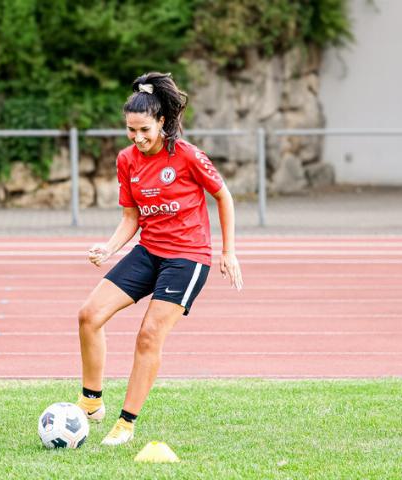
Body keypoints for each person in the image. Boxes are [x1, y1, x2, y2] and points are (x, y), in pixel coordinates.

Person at [76, 72, 243, 446]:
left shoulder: (186, 155)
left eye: (144, 130)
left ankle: (126, 423)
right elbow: (130, 218)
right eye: (130, 130)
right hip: (149, 251)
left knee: (148, 336)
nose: (137, 138)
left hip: (187, 258)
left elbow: (224, 196)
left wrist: (228, 251)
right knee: (89, 315)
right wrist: (108, 249)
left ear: (162, 123)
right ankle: (91, 402)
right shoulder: (126, 160)